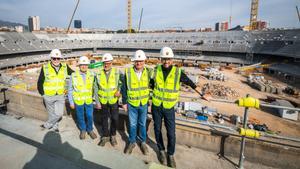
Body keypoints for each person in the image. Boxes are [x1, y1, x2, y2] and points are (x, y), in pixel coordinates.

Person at [151, 47, 210, 168]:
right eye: (164, 59)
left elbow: (190, 83)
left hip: (169, 108)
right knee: (157, 130)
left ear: (172, 60)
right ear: (161, 59)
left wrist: (203, 95)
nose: (166, 62)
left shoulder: (178, 72)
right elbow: (150, 84)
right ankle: (161, 151)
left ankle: (170, 154)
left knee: (171, 133)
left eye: (168, 59)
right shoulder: (155, 70)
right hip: (156, 106)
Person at [121, 50, 151, 155]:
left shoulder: (148, 72)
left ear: (144, 61)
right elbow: (124, 88)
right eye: (137, 61)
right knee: (132, 124)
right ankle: (132, 142)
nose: (139, 63)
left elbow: (153, 86)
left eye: (141, 61)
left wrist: (150, 100)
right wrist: (124, 102)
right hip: (132, 103)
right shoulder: (128, 72)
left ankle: (142, 142)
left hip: (143, 103)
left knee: (142, 124)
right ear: (134, 61)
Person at [37, 49, 74, 132]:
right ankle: (55, 126)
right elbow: (40, 82)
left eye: (58, 58)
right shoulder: (45, 67)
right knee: (51, 114)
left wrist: (83, 73)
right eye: (54, 58)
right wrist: (43, 94)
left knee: (59, 114)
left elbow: (73, 74)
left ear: (60, 58)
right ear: (51, 58)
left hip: (60, 95)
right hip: (48, 95)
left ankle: (47, 124)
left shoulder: (65, 66)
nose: (56, 60)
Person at [95, 53, 122, 147]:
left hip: (113, 100)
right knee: (104, 119)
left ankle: (113, 135)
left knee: (115, 118)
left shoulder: (117, 72)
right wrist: (97, 102)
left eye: (108, 63)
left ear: (111, 63)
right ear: (103, 63)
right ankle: (105, 136)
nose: (106, 65)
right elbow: (96, 88)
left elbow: (121, 83)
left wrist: (119, 91)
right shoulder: (98, 73)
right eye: (105, 63)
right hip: (103, 101)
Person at [68, 56, 97, 140]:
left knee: (89, 116)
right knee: (80, 116)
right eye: (82, 65)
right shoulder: (73, 75)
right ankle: (83, 130)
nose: (84, 66)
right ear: (79, 66)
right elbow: (70, 90)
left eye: (85, 65)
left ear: (88, 65)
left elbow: (95, 87)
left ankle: (90, 130)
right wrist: (71, 102)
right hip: (78, 101)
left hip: (88, 101)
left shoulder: (92, 75)